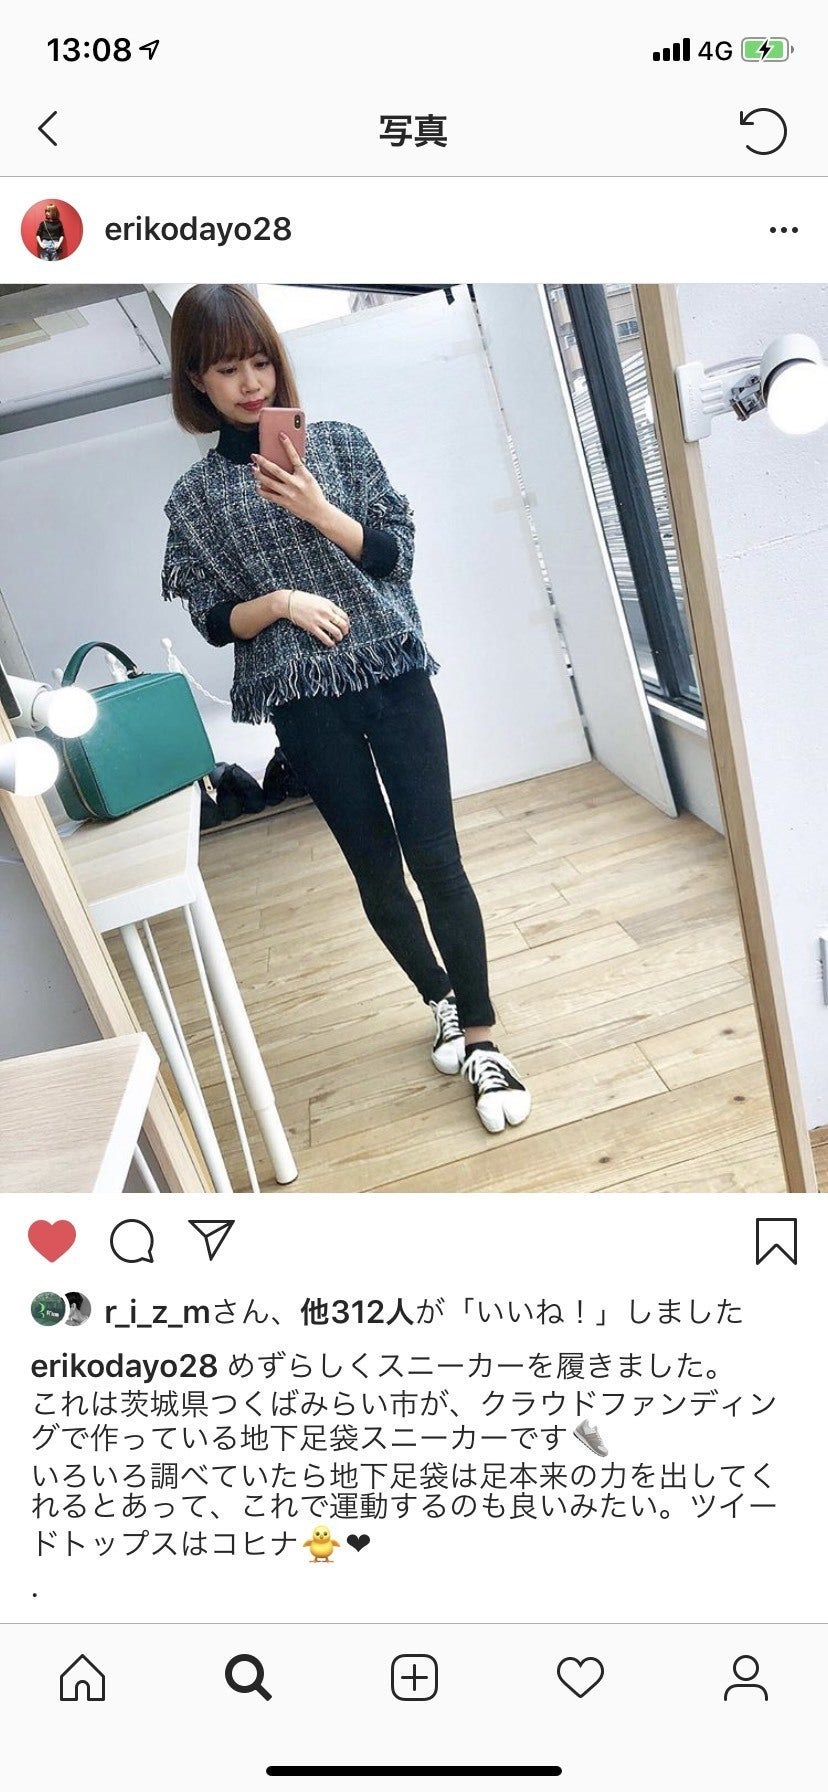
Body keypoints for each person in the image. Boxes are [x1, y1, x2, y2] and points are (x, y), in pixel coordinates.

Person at [162, 284, 531, 1135]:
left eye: (261, 361)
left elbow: (395, 558)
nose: (250, 383)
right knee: (374, 867)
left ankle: (483, 1038)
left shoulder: (339, 444)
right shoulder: (194, 500)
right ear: (197, 380)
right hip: (302, 703)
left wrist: (320, 511)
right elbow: (213, 620)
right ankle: (440, 1002)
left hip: (393, 677)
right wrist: (281, 602)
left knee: (436, 858)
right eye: (228, 368)